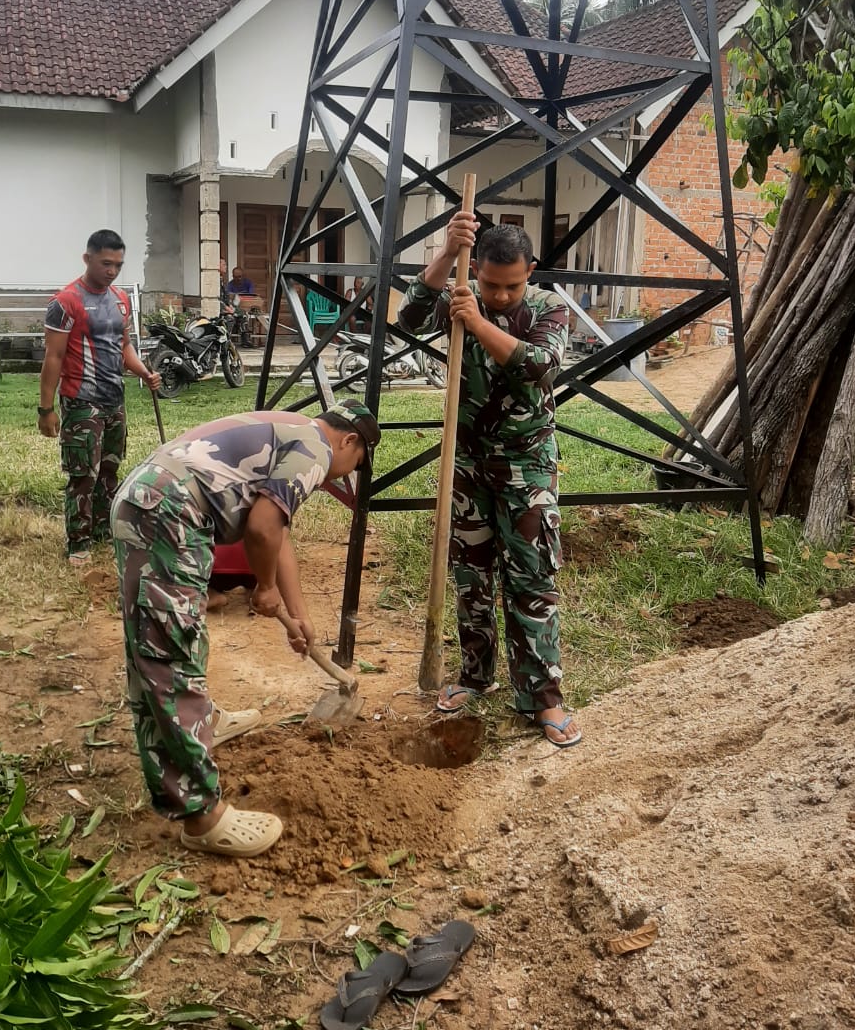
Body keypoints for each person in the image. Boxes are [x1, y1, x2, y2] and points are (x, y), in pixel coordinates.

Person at [110, 400, 381, 857]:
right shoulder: (316, 450)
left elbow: (278, 533)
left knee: (165, 638)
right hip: (168, 510)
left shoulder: (295, 431)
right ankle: (202, 816)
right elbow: (261, 529)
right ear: (349, 440)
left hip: (150, 499)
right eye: (354, 465)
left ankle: (203, 723)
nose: (345, 475)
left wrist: (298, 614)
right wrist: (265, 588)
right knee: (169, 653)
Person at [397, 213, 580, 747]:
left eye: (511, 286)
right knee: (471, 578)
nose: (500, 296)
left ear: (530, 273)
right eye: (491, 284)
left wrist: (477, 322)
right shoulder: (461, 295)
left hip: (527, 469)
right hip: (468, 466)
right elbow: (410, 316)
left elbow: (539, 368)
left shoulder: (548, 309)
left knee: (532, 580)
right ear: (475, 269)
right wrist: (443, 254)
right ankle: (476, 675)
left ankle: (543, 698)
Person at [39, 229, 161, 563]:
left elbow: (124, 346)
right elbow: (53, 357)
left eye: (118, 265)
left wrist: (144, 373)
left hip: (114, 400)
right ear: (87, 258)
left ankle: (103, 532)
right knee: (83, 476)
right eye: (106, 263)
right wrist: (46, 409)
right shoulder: (66, 302)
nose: (112, 271)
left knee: (109, 470)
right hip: (81, 401)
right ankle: (78, 543)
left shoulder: (120, 300)